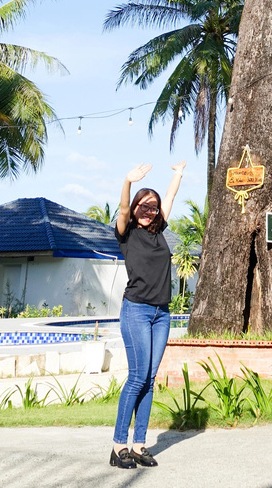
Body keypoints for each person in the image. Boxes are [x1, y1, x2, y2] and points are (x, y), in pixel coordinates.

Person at [110, 159, 186, 470]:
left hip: (161, 314)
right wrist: (128, 181)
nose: (149, 210)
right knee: (137, 378)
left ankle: (140, 445)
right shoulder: (126, 231)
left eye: (152, 206)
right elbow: (124, 209)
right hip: (137, 310)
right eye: (145, 205)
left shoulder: (159, 230)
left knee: (150, 380)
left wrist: (177, 176)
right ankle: (118, 446)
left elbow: (168, 200)